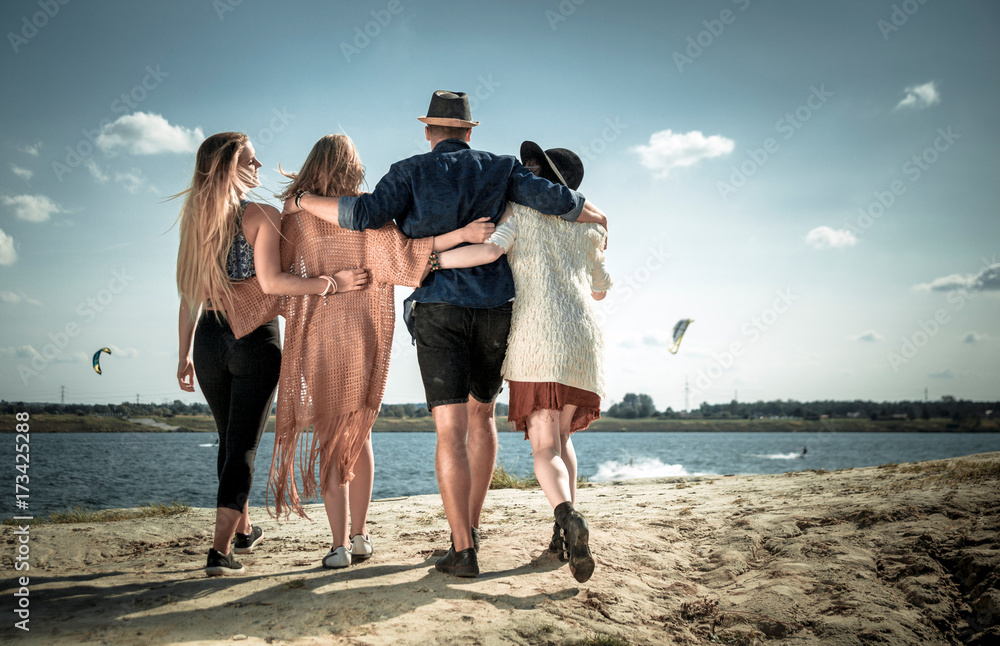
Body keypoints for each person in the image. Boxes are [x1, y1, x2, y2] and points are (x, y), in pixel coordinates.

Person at [284, 91, 609, 578]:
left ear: (429, 131)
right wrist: (596, 214)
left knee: (449, 432)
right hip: (496, 311)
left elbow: (364, 215)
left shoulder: (408, 170)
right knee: (483, 421)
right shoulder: (500, 168)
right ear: (470, 132)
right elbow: (555, 200)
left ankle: (463, 550)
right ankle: (474, 528)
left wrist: (304, 199)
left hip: (437, 309)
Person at [225, 134, 493, 569]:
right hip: (368, 334)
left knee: (332, 438)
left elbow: (271, 277)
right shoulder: (368, 213)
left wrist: (225, 300)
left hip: (320, 335)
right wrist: (462, 233)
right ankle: (361, 534)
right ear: (351, 168)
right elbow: (410, 252)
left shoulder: (296, 219)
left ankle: (338, 546)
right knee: (358, 434)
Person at [175, 132, 364, 576]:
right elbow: (273, 283)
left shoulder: (194, 224)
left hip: (207, 339)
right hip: (255, 341)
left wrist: (183, 354)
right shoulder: (259, 215)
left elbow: (187, 298)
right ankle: (220, 552)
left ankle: (243, 531)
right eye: (252, 161)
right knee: (242, 445)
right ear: (229, 169)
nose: (260, 168)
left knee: (227, 439)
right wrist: (331, 283)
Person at [436, 143, 610, 583]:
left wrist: (432, 261)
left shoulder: (519, 212)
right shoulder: (589, 227)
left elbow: (489, 252)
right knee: (564, 436)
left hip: (539, 337)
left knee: (544, 445)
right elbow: (601, 287)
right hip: (584, 340)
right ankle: (562, 537)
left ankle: (568, 516)